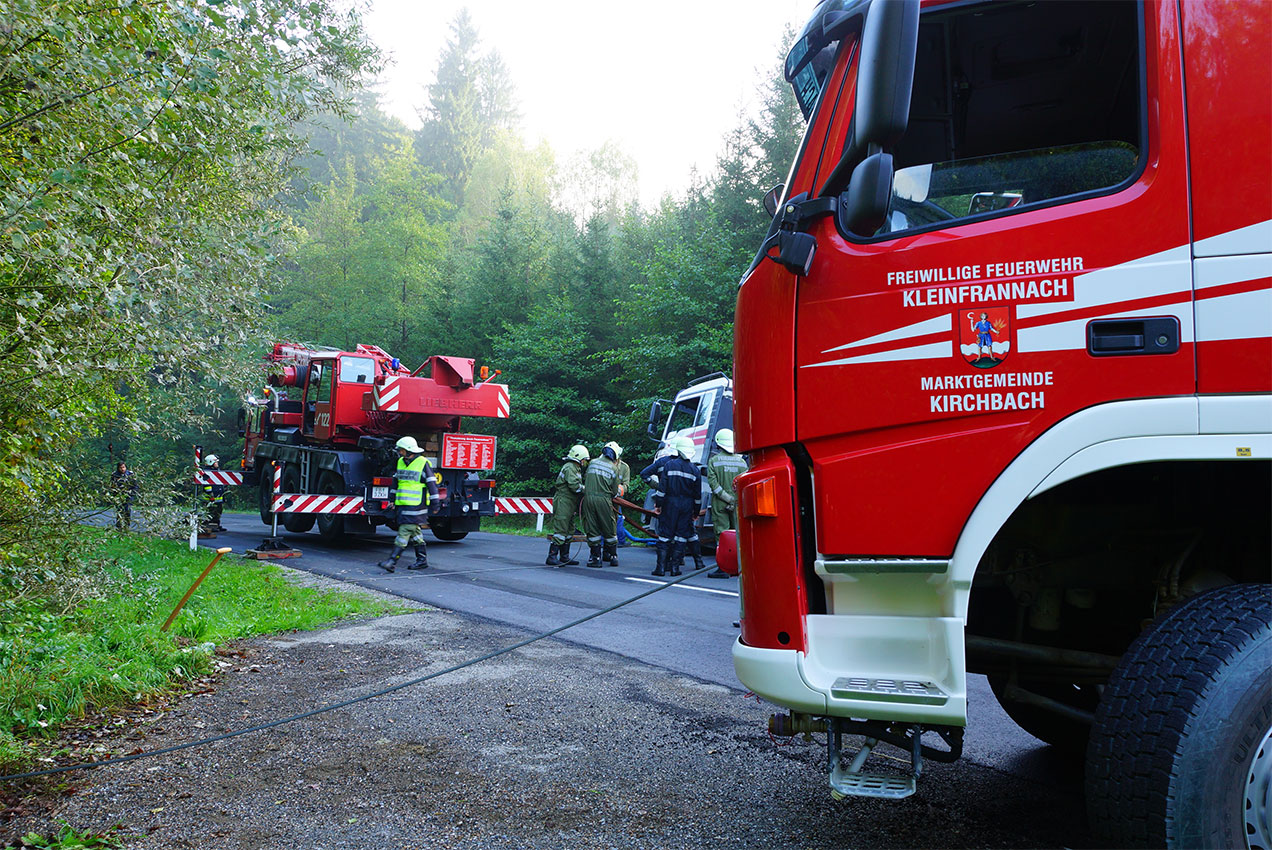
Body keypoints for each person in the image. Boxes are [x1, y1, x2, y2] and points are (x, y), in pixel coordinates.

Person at [377, 436, 440, 573]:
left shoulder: (423, 463)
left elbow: (432, 484)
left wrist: (435, 504)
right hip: (402, 505)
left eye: (401, 450)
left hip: (416, 506)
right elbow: (396, 482)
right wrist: (392, 500)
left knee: (404, 531)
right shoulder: (400, 462)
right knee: (415, 533)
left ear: (409, 450)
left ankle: (392, 561)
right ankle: (422, 561)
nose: (399, 452)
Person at [647, 436, 702, 577]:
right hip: (687, 506)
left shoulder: (669, 465)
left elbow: (662, 489)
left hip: (670, 503)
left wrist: (659, 504)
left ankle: (660, 568)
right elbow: (697, 496)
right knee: (681, 536)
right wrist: (695, 512)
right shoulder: (695, 470)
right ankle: (675, 569)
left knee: (665, 535)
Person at [705, 429, 747, 578]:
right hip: (738, 503)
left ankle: (723, 568)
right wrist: (734, 500)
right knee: (738, 534)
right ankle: (738, 567)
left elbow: (713, 484)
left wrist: (726, 498)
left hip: (720, 503)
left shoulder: (714, 461)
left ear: (718, 443)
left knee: (722, 534)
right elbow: (744, 483)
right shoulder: (742, 462)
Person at [545, 444, 589, 566]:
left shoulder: (575, 468)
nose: (585, 462)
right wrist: (587, 489)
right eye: (584, 459)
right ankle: (552, 557)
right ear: (579, 458)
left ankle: (564, 556)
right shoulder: (570, 468)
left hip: (570, 502)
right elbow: (574, 486)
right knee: (561, 529)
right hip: (563, 501)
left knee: (569, 529)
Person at [582, 443, 621, 568]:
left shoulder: (592, 463)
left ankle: (596, 558)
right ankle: (613, 556)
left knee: (592, 526)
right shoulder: (613, 468)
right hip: (604, 499)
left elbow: (586, 478)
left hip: (588, 498)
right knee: (609, 525)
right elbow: (614, 491)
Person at [605, 441, 629, 566]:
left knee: (614, 524)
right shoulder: (602, 463)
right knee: (600, 524)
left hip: (616, 501)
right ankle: (603, 551)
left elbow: (626, 485)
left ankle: (613, 551)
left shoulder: (624, 467)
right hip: (603, 499)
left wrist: (619, 490)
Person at [200, 455, 227, 533]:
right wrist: (210, 495)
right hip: (210, 498)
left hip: (218, 497)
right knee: (211, 512)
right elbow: (207, 486)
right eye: (216, 462)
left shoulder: (216, 471)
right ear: (211, 462)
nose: (217, 464)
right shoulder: (207, 472)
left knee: (218, 511)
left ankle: (216, 525)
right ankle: (210, 526)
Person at [110, 461, 138, 530]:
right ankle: (119, 526)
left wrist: (132, 493)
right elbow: (112, 486)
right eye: (121, 468)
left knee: (127, 510)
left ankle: (127, 526)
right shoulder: (114, 475)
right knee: (119, 510)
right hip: (119, 496)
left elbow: (135, 486)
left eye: (123, 467)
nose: (122, 469)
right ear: (118, 468)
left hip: (129, 495)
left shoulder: (130, 474)